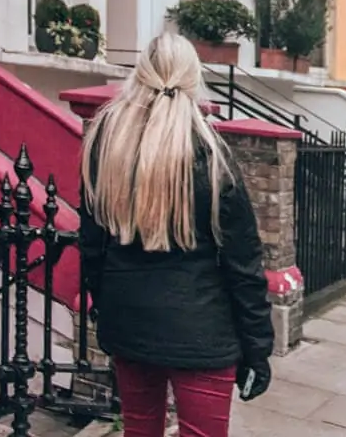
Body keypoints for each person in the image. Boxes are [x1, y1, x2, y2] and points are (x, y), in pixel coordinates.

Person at [79, 32, 274, 437]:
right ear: (192, 79)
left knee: (139, 430)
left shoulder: (105, 146)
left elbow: (92, 247)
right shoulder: (212, 155)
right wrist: (257, 350)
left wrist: (106, 307)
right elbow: (244, 265)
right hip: (202, 333)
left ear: (140, 75)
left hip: (130, 324)